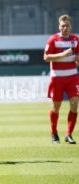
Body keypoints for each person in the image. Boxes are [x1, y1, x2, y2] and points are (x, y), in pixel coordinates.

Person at [44, 14, 79, 144]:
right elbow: (46, 57)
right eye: (62, 25)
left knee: (75, 105)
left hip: (72, 77)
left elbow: (78, 55)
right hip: (57, 77)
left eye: (67, 25)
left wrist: (77, 58)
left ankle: (69, 134)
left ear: (71, 26)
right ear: (59, 26)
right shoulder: (53, 40)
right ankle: (54, 133)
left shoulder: (75, 39)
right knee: (56, 107)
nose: (65, 28)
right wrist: (63, 54)